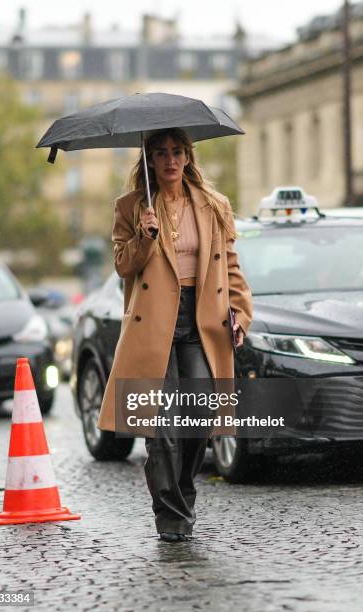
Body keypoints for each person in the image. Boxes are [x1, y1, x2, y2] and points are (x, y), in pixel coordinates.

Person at [97, 127, 253, 542]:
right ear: (149, 159)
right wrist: (144, 237)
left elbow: (231, 268)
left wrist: (239, 312)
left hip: (201, 318)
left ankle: (180, 490)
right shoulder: (131, 206)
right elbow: (122, 266)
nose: (169, 160)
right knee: (161, 425)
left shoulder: (214, 205)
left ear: (188, 157)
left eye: (177, 152)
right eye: (161, 152)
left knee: (201, 416)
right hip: (154, 323)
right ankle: (171, 516)